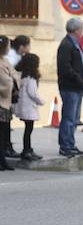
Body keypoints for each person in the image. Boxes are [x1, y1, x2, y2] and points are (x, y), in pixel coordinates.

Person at [56, 16, 83, 157]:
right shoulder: (66, 45)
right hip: (70, 87)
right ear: (75, 30)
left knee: (74, 118)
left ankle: (71, 143)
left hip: (77, 87)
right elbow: (65, 68)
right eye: (81, 28)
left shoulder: (74, 43)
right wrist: (79, 78)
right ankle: (65, 146)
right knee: (69, 118)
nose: (82, 31)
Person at [13, 51, 44, 163]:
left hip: (24, 107)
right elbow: (33, 93)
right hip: (29, 108)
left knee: (28, 130)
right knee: (28, 130)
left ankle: (28, 150)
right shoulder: (31, 79)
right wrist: (41, 101)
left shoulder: (23, 76)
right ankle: (27, 150)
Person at [0, 36, 17, 171]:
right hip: (1, 102)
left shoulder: (5, 61)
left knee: (4, 133)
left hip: (6, 103)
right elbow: (7, 82)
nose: (9, 48)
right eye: (8, 45)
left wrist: (13, 79)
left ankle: (3, 160)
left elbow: (14, 75)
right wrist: (11, 81)